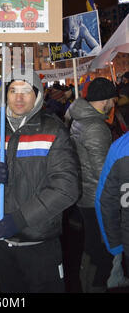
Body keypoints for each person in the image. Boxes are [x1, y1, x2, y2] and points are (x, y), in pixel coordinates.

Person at [0, 71, 79, 293]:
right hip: (2, 246)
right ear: (4, 95)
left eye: (26, 90)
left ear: (37, 95)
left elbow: (67, 187)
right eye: (13, 90)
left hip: (40, 245)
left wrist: (20, 219)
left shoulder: (54, 130)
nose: (19, 98)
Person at [68, 77, 118, 292]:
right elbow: (102, 171)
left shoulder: (80, 119)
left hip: (85, 194)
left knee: (92, 247)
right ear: (104, 100)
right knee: (104, 254)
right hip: (96, 197)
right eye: (112, 100)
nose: (114, 104)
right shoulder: (96, 127)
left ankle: (86, 282)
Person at [95, 131, 129, 289]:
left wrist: (115, 246)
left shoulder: (120, 147)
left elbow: (105, 202)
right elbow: (106, 202)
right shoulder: (120, 148)